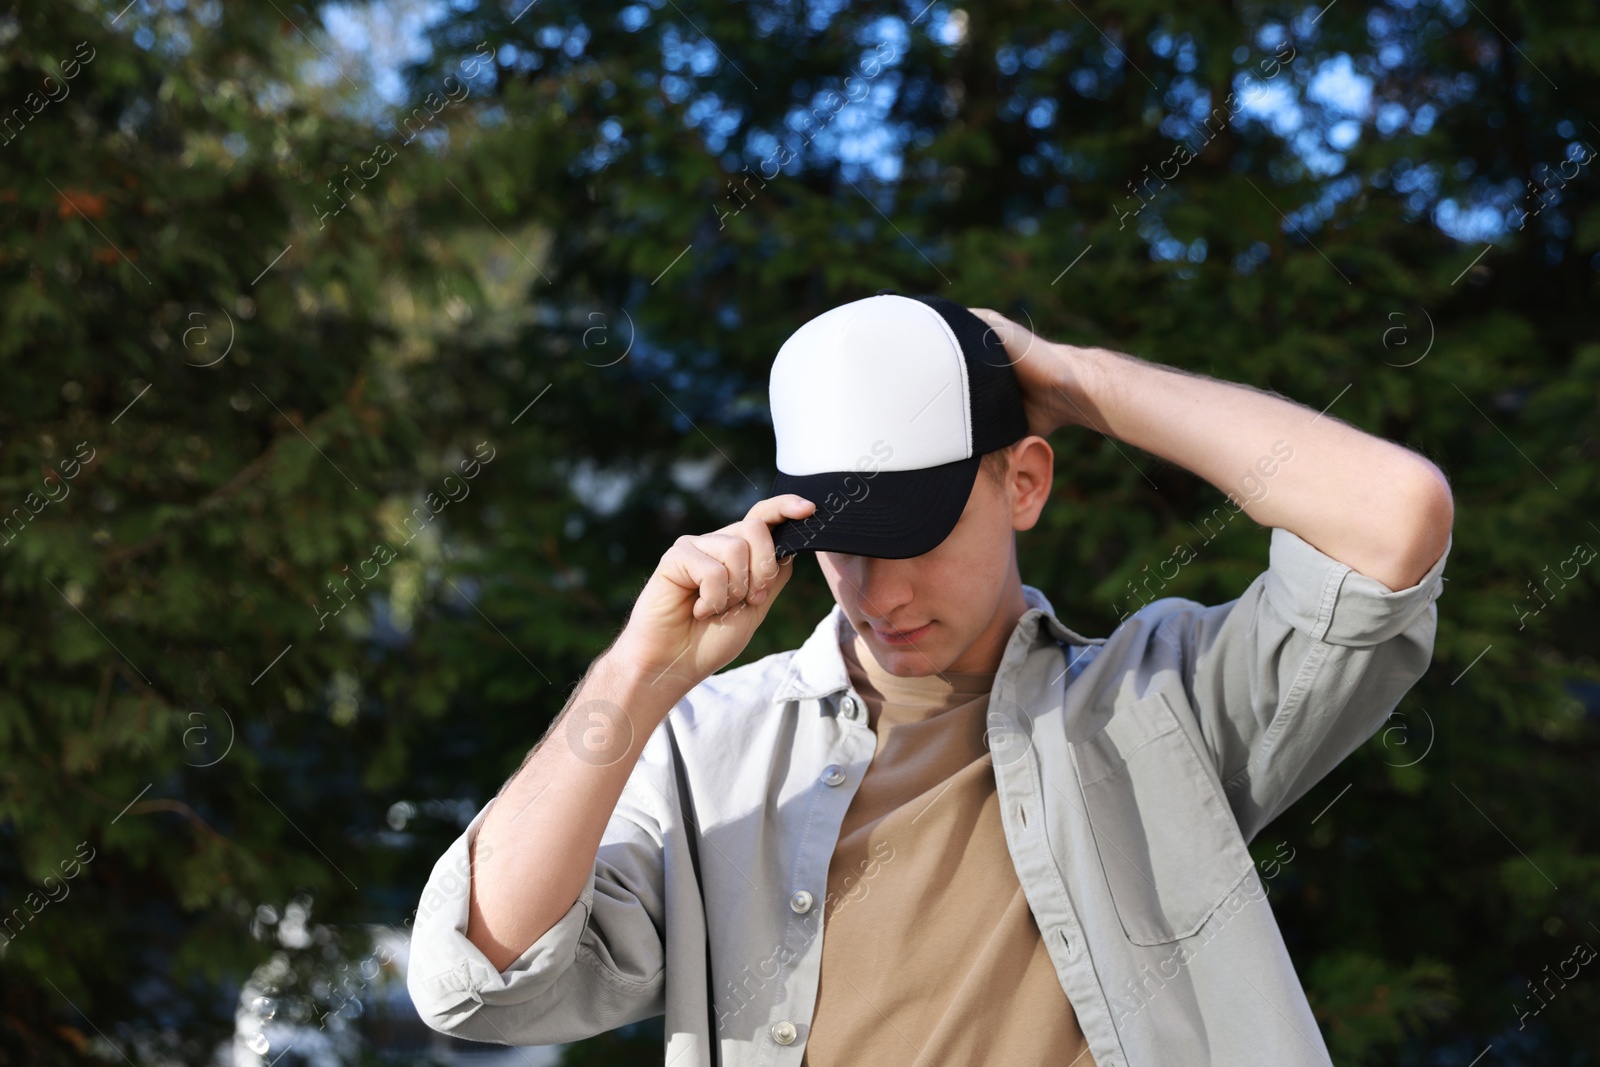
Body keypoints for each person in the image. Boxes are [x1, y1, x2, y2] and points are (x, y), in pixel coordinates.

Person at [406, 292, 1454, 1066]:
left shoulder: (1163, 699)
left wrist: (1073, 377)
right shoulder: (706, 743)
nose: (880, 588)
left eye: (921, 533)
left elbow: (1393, 518)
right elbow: (474, 979)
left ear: (1025, 480)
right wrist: (637, 675)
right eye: (844, 541)